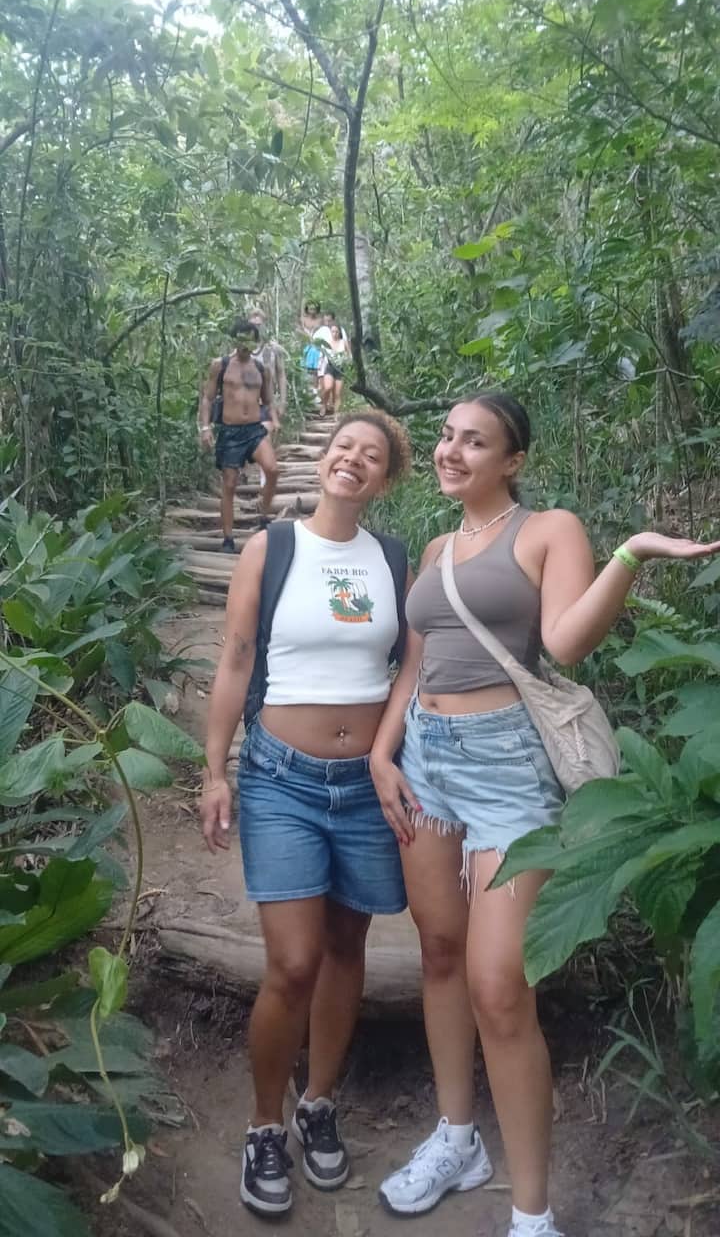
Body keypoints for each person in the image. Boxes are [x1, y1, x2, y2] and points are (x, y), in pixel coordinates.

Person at [368, 392, 720, 1237]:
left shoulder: (549, 529)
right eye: (447, 437)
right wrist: (383, 752)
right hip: (425, 761)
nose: (452, 451)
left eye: (475, 441)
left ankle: (532, 1216)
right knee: (441, 955)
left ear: (513, 460)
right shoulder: (437, 547)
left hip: (508, 770)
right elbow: (415, 663)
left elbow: (563, 644)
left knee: (500, 988)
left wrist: (631, 553)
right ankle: (457, 1139)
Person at [199, 411, 413, 1218]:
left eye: (371, 455)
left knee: (346, 947)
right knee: (293, 962)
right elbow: (235, 659)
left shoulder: (392, 559)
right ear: (323, 459)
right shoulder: (273, 547)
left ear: (385, 479)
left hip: (365, 785)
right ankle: (265, 1126)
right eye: (343, 447)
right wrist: (213, 770)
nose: (353, 460)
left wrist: (388, 758)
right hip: (281, 779)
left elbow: (408, 668)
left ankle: (317, 1102)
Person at [198, 319, 279, 553]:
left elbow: (268, 400)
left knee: (272, 469)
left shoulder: (262, 369)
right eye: (241, 339)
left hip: (254, 430)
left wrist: (274, 419)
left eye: (250, 340)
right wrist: (205, 428)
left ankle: (264, 514)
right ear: (234, 340)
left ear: (255, 342)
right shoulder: (220, 365)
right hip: (230, 432)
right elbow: (208, 398)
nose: (245, 345)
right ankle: (228, 538)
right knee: (230, 484)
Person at [248, 306, 288, 430]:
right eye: (254, 325)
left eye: (259, 325)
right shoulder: (243, 349)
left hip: (269, 400)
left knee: (269, 433)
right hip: (248, 401)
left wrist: (282, 402)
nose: (257, 328)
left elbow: (281, 375)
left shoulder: (273, 348)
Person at [318, 322, 348, 416]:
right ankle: (324, 405)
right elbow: (321, 356)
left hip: (340, 368)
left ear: (339, 332)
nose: (334, 334)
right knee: (328, 387)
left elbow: (349, 355)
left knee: (337, 393)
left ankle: (336, 413)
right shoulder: (327, 343)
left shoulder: (343, 342)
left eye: (336, 332)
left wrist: (346, 361)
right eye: (333, 331)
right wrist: (319, 369)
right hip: (330, 367)